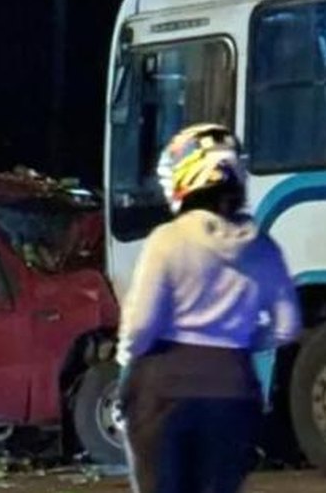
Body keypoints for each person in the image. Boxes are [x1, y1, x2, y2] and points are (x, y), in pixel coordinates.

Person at [116, 123, 301, 493]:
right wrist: (241, 342)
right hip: (235, 388)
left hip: (164, 391)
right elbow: (288, 325)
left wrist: (126, 364)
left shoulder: (167, 240)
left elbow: (140, 327)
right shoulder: (263, 247)